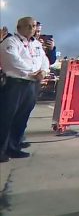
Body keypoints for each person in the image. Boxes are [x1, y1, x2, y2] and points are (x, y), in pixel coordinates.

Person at [0, 17, 50, 162]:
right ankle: (1, 149)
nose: (31, 28)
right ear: (18, 27)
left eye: (33, 26)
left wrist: (44, 72)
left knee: (21, 118)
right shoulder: (10, 42)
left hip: (31, 86)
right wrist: (34, 72)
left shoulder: (36, 44)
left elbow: (44, 60)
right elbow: (14, 61)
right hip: (14, 85)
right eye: (27, 26)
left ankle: (13, 147)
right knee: (6, 118)